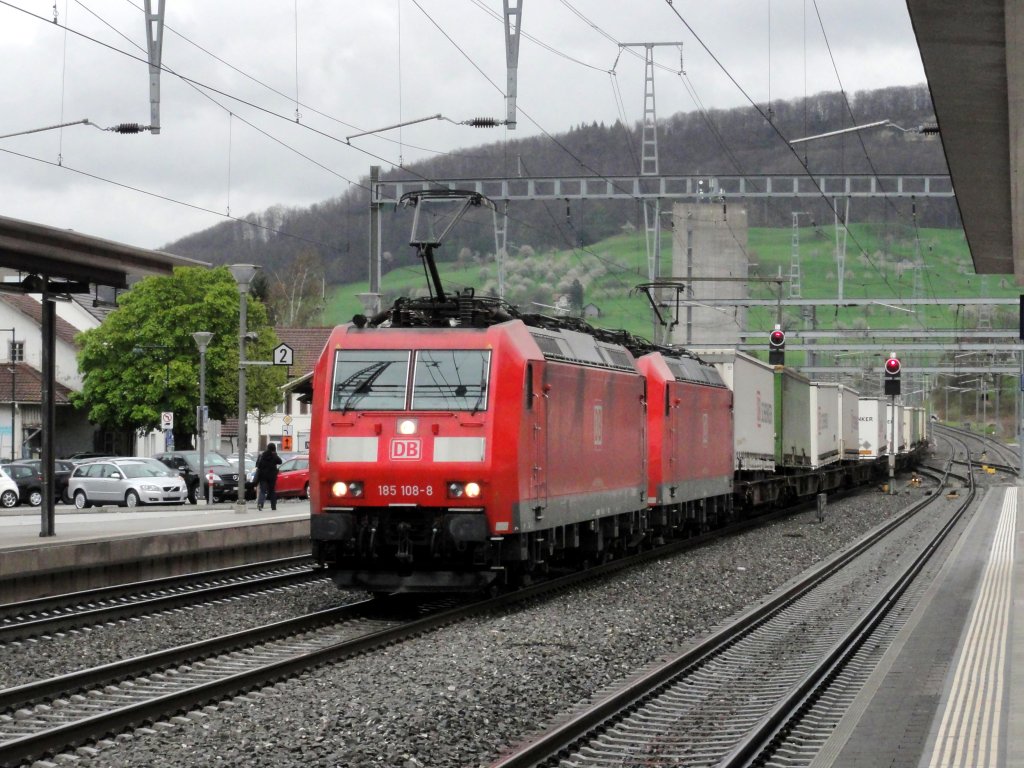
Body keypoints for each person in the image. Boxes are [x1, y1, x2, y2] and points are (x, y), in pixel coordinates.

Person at [255, 442, 283, 510]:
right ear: (274, 449)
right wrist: (275, 455)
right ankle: (273, 506)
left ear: (267, 448)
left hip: (262, 476)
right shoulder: (274, 456)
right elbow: (280, 461)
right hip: (272, 477)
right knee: (272, 490)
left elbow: (257, 465)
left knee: (262, 491)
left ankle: (260, 504)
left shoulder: (262, 455)